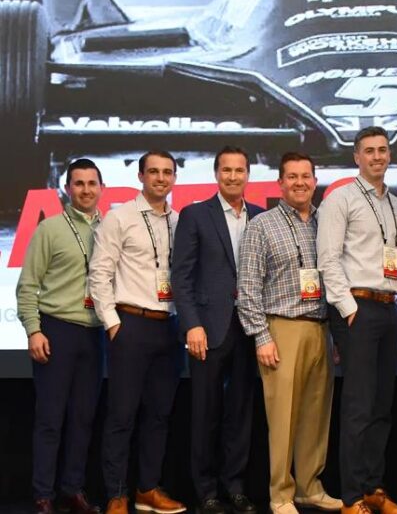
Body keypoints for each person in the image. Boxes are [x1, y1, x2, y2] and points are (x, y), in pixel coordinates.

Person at [237, 152, 341, 514]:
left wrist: (337, 334)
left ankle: (310, 487)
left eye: (306, 176)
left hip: (320, 328)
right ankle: (280, 494)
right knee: (282, 418)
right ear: (280, 183)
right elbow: (248, 287)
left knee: (316, 414)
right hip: (281, 328)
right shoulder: (261, 225)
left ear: (315, 181)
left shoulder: (326, 224)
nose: (300, 183)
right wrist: (261, 336)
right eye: (292, 177)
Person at [89, 150, 186, 514]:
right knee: (121, 415)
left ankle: (147, 489)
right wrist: (113, 324)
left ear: (174, 178)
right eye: (154, 172)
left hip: (169, 328)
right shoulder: (120, 217)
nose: (161, 178)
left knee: (159, 415)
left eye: (167, 172)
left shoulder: (180, 221)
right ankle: (116, 493)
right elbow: (99, 274)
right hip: (130, 324)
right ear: (141, 177)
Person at [317, 126, 397, 514]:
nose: (376, 157)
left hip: (389, 308)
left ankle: (373, 488)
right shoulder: (341, 199)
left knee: (382, 406)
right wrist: (348, 309)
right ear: (356, 157)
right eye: (368, 151)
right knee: (358, 407)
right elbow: (328, 260)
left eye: (382, 150)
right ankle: (352, 496)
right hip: (357, 308)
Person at [172, 146, 263, 514]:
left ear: (247, 175)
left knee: (241, 414)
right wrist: (191, 324)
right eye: (226, 170)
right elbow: (181, 275)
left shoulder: (260, 216)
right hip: (208, 330)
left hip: (249, 328)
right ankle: (206, 490)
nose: (233, 177)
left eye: (239, 170)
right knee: (206, 413)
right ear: (216, 174)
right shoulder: (195, 215)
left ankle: (235, 486)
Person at [16, 159, 106, 514]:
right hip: (56, 331)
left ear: (101, 188)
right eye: (79, 183)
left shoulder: (110, 228)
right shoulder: (49, 228)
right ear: (68, 188)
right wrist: (33, 330)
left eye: (92, 183)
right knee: (50, 419)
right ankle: (43, 495)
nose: (86, 190)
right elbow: (27, 286)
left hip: (95, 334)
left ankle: (72, 489)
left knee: (83, 418)